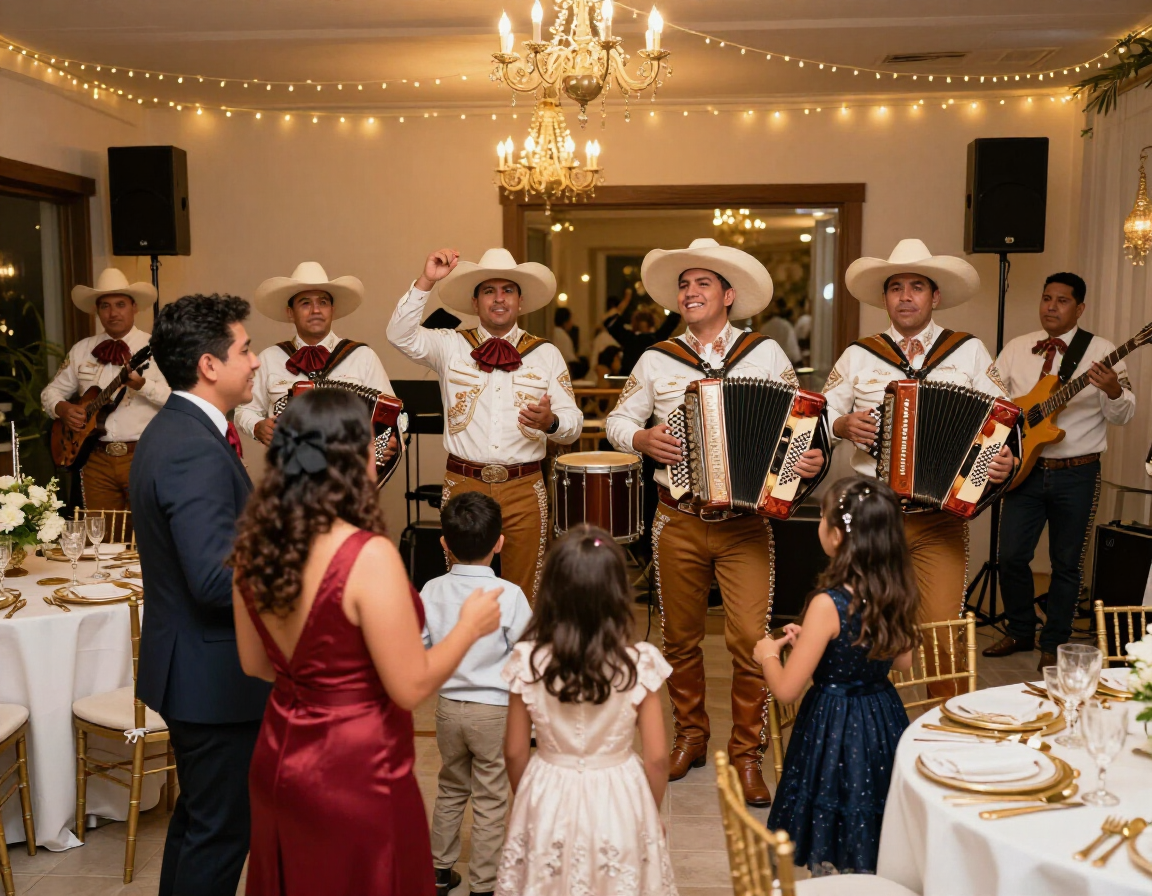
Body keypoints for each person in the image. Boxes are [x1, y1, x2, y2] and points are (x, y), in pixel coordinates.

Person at [230, 389, 503, 896]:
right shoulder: (366, 554)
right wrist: (469, 625)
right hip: (354, 764)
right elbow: (409, 686)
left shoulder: (253, 546)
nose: (382, 449)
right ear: (348, 456)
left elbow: (255, 664)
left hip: (279, 754)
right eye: (373, 441)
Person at [607, 237, 826, 807]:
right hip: (676, 517)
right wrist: (640, 437)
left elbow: (801, 426)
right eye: (684, 284)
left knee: (752, 641)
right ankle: (691, 738)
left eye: (702, 283)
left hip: (747, 524)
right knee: (678, 639)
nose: (690, 291)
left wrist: (810, 458)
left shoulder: (767, 354)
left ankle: (749, 754)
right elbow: (616, 420)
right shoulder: (656, 358)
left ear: (728, 296)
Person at [821, 238, 1015, 699]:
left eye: (916, 287)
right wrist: (842, 423)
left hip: (940, 518)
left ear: (935, 297)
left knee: (943, 632)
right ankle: (869, 726)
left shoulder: (968, 352)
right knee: (865, 630)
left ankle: (942, 731)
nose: (905, 296)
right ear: (885, 298)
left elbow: (1004, 419)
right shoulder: (859, 355)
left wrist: (1005, 457)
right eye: (896, 288)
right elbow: (815, 417)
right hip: (873, 517)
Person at [131, 293, 268, 896]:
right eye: (245, 349)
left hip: (194, 667)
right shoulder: (190, 445)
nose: (257, 361)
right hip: (212, 676)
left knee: (196, 824)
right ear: (210, 365)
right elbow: (215, 580)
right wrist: (300, 563)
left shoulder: (181, 430)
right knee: (220, 834)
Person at [387, 248, 582, 602]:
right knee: (462, 595)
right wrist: (427, 280)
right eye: (489, 291)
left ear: (520, 301)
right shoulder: (449, 345)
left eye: (507, 290)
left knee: (526, 594)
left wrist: (552, 422)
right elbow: (399, 335)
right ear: (475, 302)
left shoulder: (545, 353)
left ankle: (518, 658)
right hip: (464, 483)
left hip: (525, 486)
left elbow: (574, 424)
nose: (499, 298)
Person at [496, 525, 678, 896]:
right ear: (617, 595)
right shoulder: (638, 663)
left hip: (549, 787)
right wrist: (649, 812)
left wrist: (527, 801)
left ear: (551, 593)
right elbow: (658, 759)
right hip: (619, 793)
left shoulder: (529, 660)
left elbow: (515, 751)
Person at [755, 478, 916, 875]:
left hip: (835, 725)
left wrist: (767, 655)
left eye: (823, 517)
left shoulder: (829, 604)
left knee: (835, 807)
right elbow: (902, 663)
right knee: (871, 810)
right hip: (882, 718)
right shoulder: (896, 589)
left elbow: (787, 689)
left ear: (837, 536)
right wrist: (813, 641)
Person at [985, 272, 1136, 670]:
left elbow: (1123, 414)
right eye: (1046, 298)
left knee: (1066, 563)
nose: (1051, 306)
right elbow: (995, 405)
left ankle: (1056, 642)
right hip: (1024, 471)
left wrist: (1114, 391)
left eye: (1062, 301)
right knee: (1011, 556)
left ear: (1080, 308)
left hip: (1078, 472)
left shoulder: (1101, 351)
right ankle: (1020, 629)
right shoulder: (1017, 348)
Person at [422, 491, 532, 896]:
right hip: (494, 712)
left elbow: (417, 644)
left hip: (448, 709)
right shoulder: (510, 595)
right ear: (500, 542)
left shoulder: (431, 590)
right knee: (490, 796)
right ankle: (483, 884)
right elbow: (528, 653)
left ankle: (438, 871)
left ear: (444, 543)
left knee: (451, 786)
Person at [235, 262, 397, 464]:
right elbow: (244, 410)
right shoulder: (269, 358)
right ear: (290, 312)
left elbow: (390, 416)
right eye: (305, 303)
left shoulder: (363, 356)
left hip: (350, 473)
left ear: (332, 310)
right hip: (288, 475)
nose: (315, 310)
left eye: (323, 302)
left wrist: (385, 443)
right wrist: (257, 426)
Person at [42, 268, 169, 516]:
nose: (112, 313)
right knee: (101, 538)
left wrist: (143, 386)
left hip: (143, 456)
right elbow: (50, 392)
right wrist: (63, 409)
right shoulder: (82, 349)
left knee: (146, 538)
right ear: (97, 311)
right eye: (105, 306)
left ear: (134, 307)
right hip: (95, 458)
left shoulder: (157, 348)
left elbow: (178, 400)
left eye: (120, 304)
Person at [605, 301, 681, 375]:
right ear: (651, 323)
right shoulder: (657, 338)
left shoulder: (629, 338)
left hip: (629, 381)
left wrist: (620, 310)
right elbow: (673, 320)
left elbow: (610, 323)